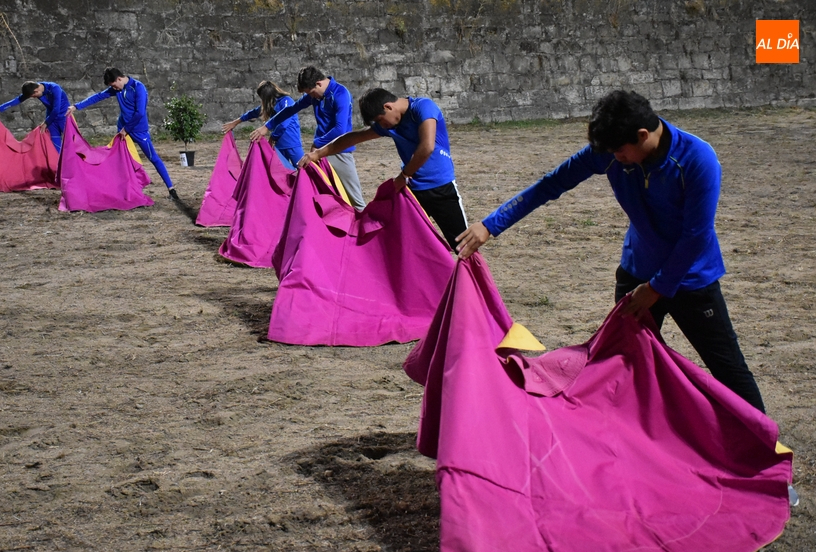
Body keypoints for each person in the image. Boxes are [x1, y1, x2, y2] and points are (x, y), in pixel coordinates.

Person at [456, 90, 766, 413]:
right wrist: (491, 225)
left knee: (728, 368)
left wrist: (657, 288)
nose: (615, 158)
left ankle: (766, 449)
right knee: (625, 365)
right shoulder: (612, 150)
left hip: (692, 280)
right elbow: (551, 184)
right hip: (636, 273)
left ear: (642, 135)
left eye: (620, 151)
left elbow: (695, 236)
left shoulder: (697, 160)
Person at [299, 88, 468, 251]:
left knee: (462, 245)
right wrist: (317, 154)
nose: (382, 125)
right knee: (404, 245)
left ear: (388, 106)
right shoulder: (390, 124)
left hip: (441, 188)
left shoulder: (423, 107)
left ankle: (474, 280)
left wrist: (405, 174)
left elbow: (427, 146)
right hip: (412, 192)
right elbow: (354, 137)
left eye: (380, 120)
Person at [250, 66, 364, 209]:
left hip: (340, 150)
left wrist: (317, 143)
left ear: (319, 83)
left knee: (355, 200)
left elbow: (340, 129)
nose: (311, 96)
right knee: (318, 193)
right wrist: (267, 126)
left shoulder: (341, 94)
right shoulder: (314, 95)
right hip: (318, 151)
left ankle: (366, 229)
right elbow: (291, 110)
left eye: (311, 93)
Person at [67, 67, 180, 202]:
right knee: (120, 160)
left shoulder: (138, 88)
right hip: (122, 131)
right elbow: (98, 97)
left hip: (138, 130)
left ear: (119, 79)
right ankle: (124, 190)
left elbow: (140, 113)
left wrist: (127, 128)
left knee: (153, 157)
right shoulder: (117, 89)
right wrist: (76, 106)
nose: (114, 88)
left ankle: (171, 189)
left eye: (114, 85)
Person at [221, 81, 304, 170]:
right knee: (281, 173)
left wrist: (273, 137)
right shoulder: (271, 104)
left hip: (292, 143)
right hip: (279, 145)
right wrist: (235, 122)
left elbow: (283, 124)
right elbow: (253, 113)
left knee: (303, 168)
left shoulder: (286, 101)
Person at [0, 81, 69, 153]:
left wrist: (46, 123)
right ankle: (60, 168)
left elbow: (56, 109)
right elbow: (18, 100)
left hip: (64, 117)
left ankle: (78, 167)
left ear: (36, 91)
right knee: (55, 146)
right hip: (51, 118)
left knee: (71, 142)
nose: (34, 98)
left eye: (34, 96)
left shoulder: (55, 88)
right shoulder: (33, 88)